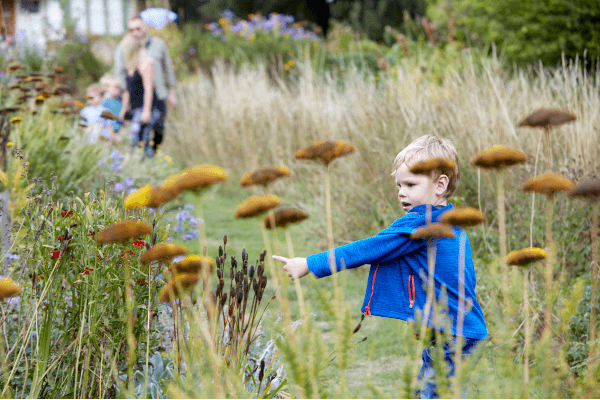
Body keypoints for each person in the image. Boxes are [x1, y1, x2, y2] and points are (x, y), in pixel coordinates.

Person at [272, 135, 488, 399]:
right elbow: (460, 280)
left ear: (440, 185)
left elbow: (367, 249)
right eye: (399, 184)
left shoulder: (421, 226)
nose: (401, 192)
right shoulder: (451, 221)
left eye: (410, 184)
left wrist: (309, 264)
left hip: (455, 334)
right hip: (461, 330)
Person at [114, 15, 177, 156]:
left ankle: (152, 158)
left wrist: (172, 92)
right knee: (138, 136)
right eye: (131, 29)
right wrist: (125, 104)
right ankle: (146, 161)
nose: (135, 32)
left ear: (145, 27)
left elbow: (168, 69)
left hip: (157, 95)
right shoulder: (124, 48)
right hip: (136, 100)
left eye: (138, 28)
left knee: (158, 132)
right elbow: (120, 75)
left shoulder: (158, 44)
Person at [99, 75, 124, 145]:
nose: (117, 89)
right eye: (115, 87)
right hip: (108, 131)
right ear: (107, 88)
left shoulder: (119, 101)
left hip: (118, 130)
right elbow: (105, 120)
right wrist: (112, 134)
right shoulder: (104, 102)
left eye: (118, 87)